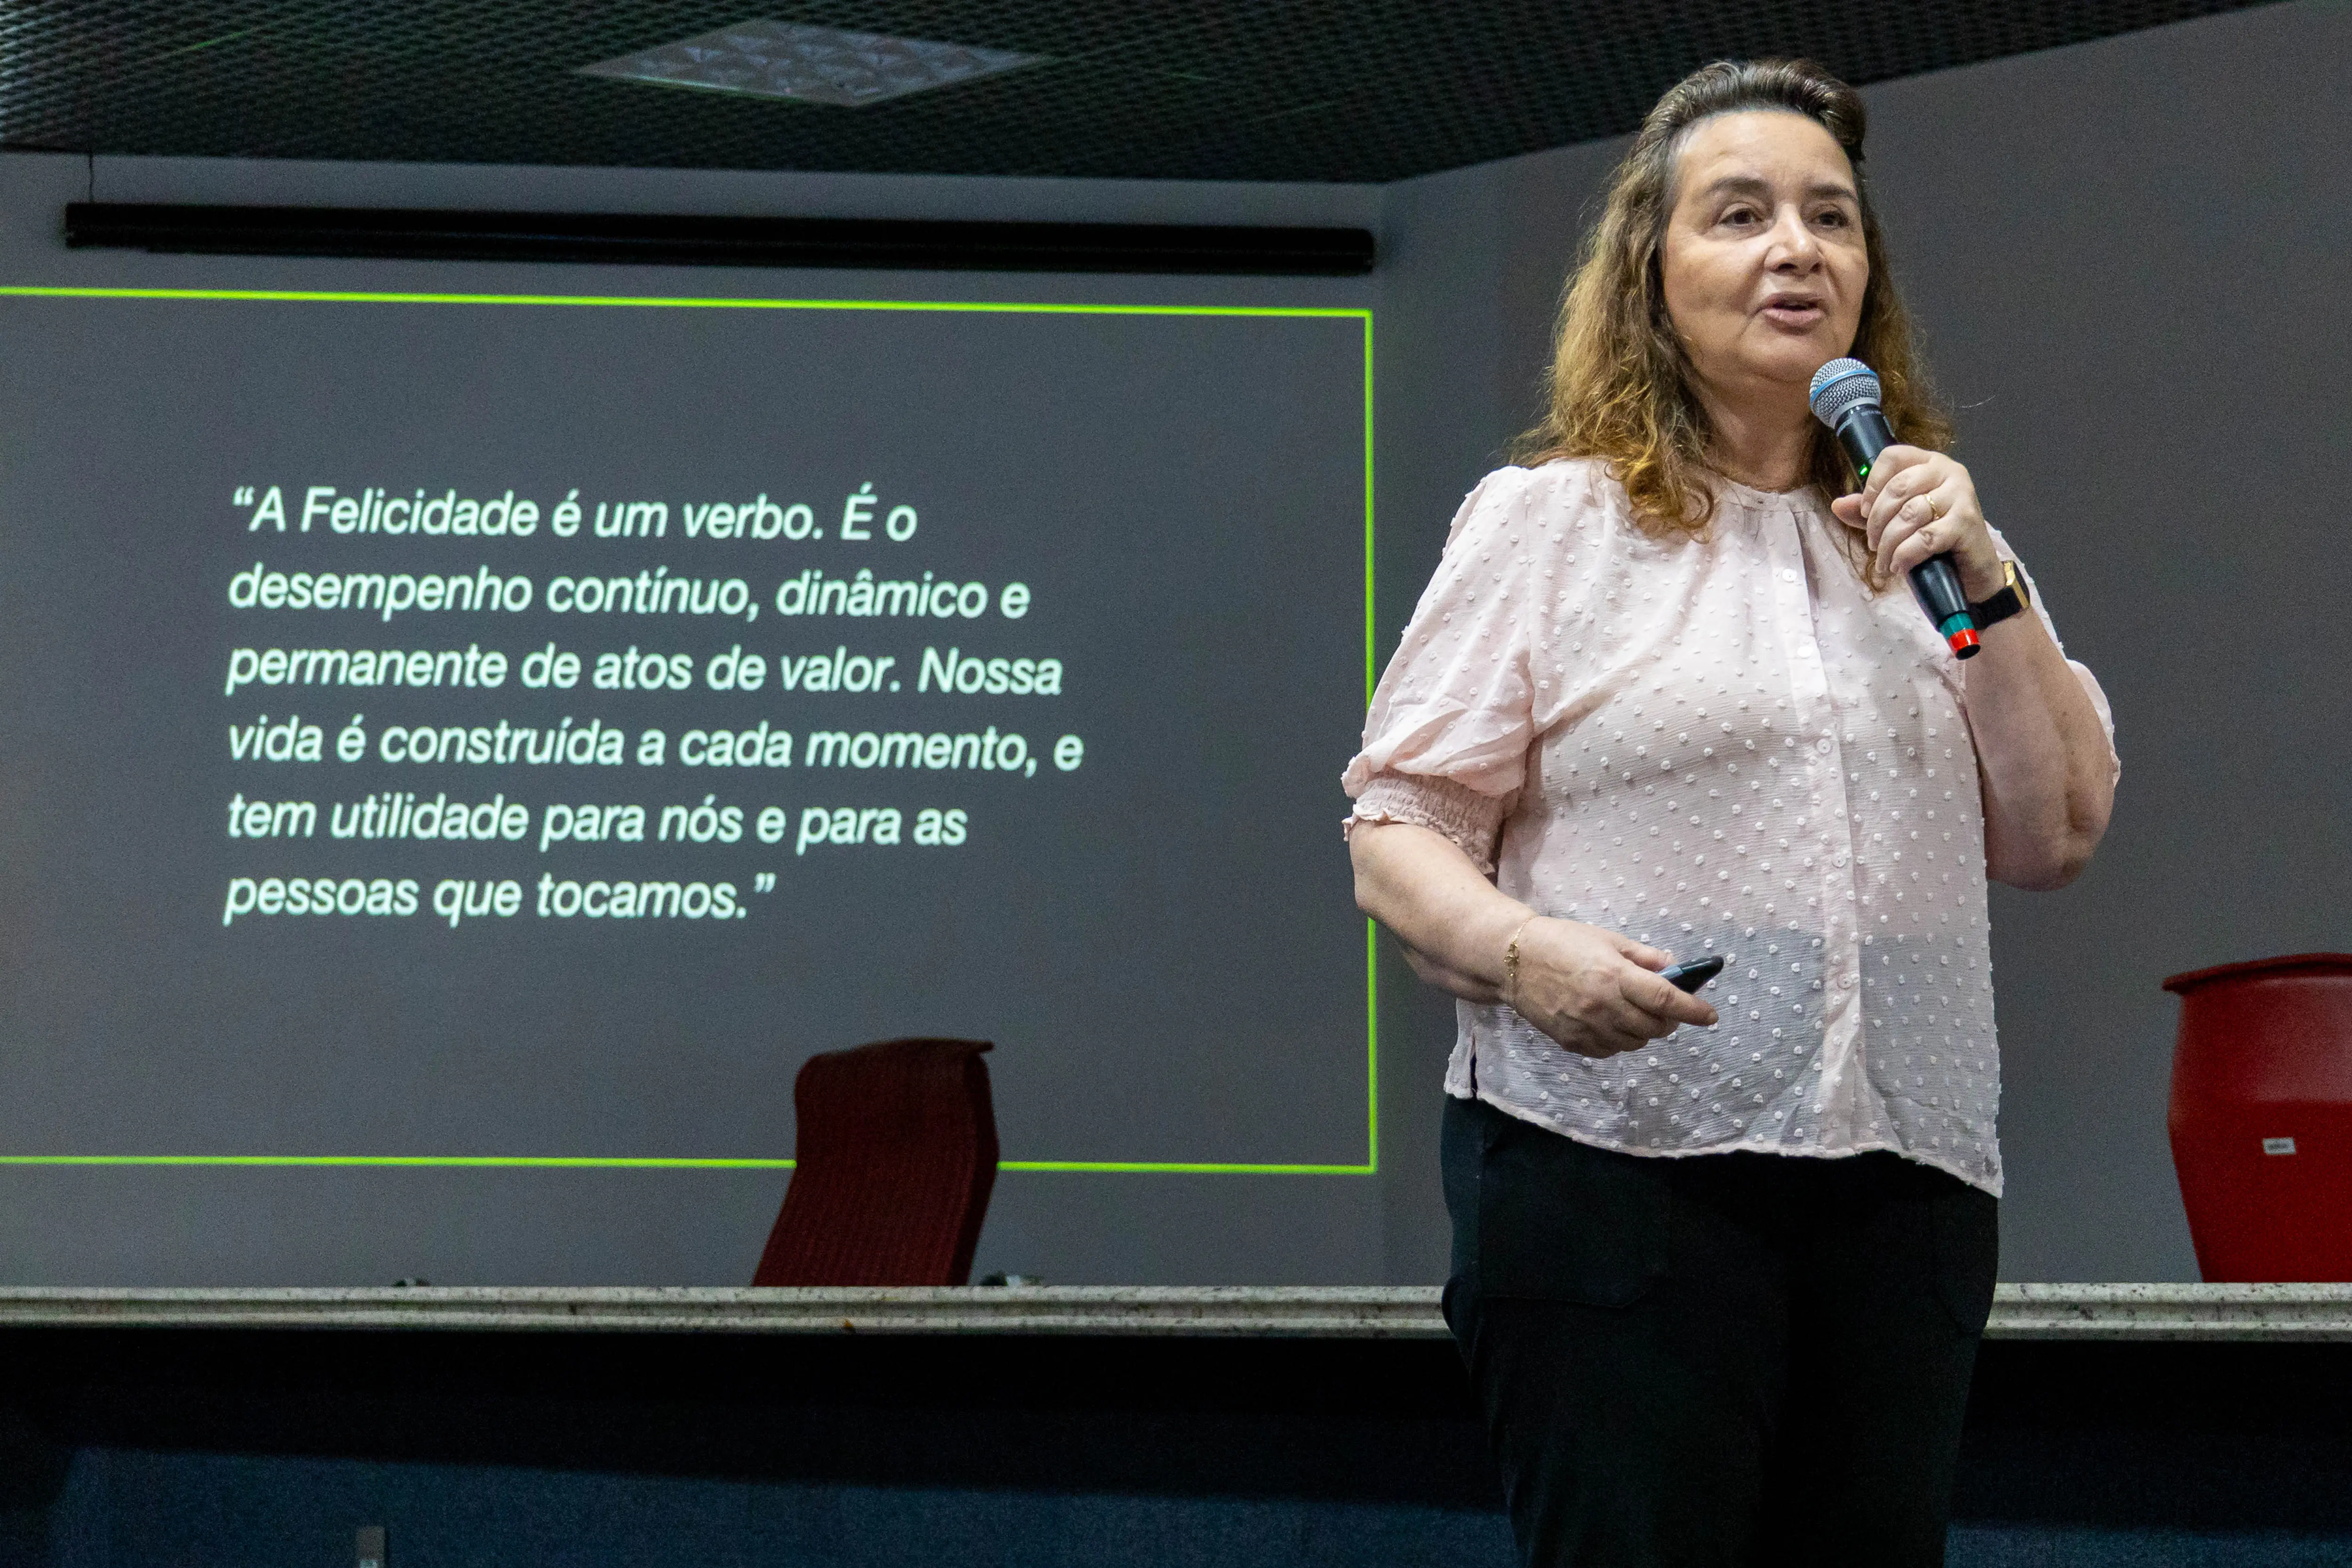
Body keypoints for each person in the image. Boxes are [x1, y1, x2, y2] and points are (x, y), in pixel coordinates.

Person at [1343, 58, 2119, 1567]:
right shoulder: (1554, 524)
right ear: (1652, 270)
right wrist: (1528, 957)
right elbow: (1400, 828)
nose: (1797, 250)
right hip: (1613, 1174)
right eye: (1743, 215)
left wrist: (1988, 577)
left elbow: (2054, 833)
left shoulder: (1935, 542)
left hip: (1902, 1192)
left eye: (1832, 218)